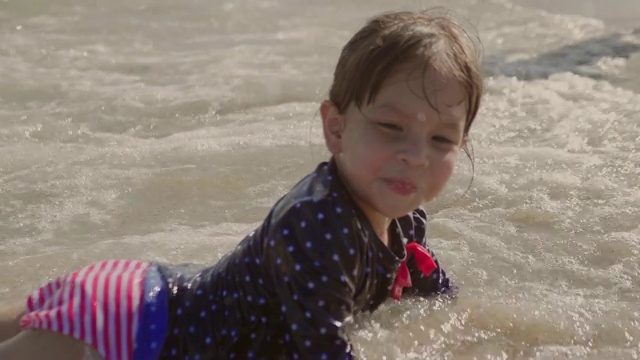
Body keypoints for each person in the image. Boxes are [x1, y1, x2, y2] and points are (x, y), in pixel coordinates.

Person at [0, 9, 483, 360]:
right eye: (391, 127)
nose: (415, 156)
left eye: (440, 138)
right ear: (335, 128)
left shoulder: (404, 218)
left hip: (143, 293)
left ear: (461, 146)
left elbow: (434, 291)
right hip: (130, 332)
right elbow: (318, 351)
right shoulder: (321, 224)